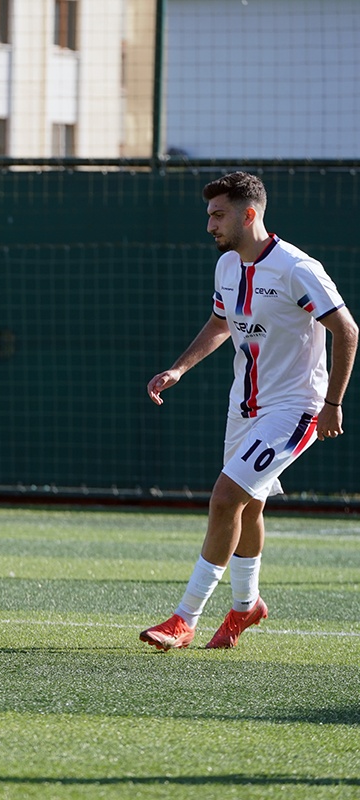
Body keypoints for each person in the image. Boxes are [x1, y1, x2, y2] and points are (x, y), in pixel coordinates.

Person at [141, 172, 357, 650]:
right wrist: (179, 369)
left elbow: (347, 331)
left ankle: (184, 619)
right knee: (248, 504)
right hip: (244, 407)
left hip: (295, 408)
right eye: (209, 215)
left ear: (249, 214)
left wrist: (333, 403)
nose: (210, 225)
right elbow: (221, 323)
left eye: (218, 215)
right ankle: (246, 607)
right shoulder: (227, 266)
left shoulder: (296, 268)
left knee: (224, 499)